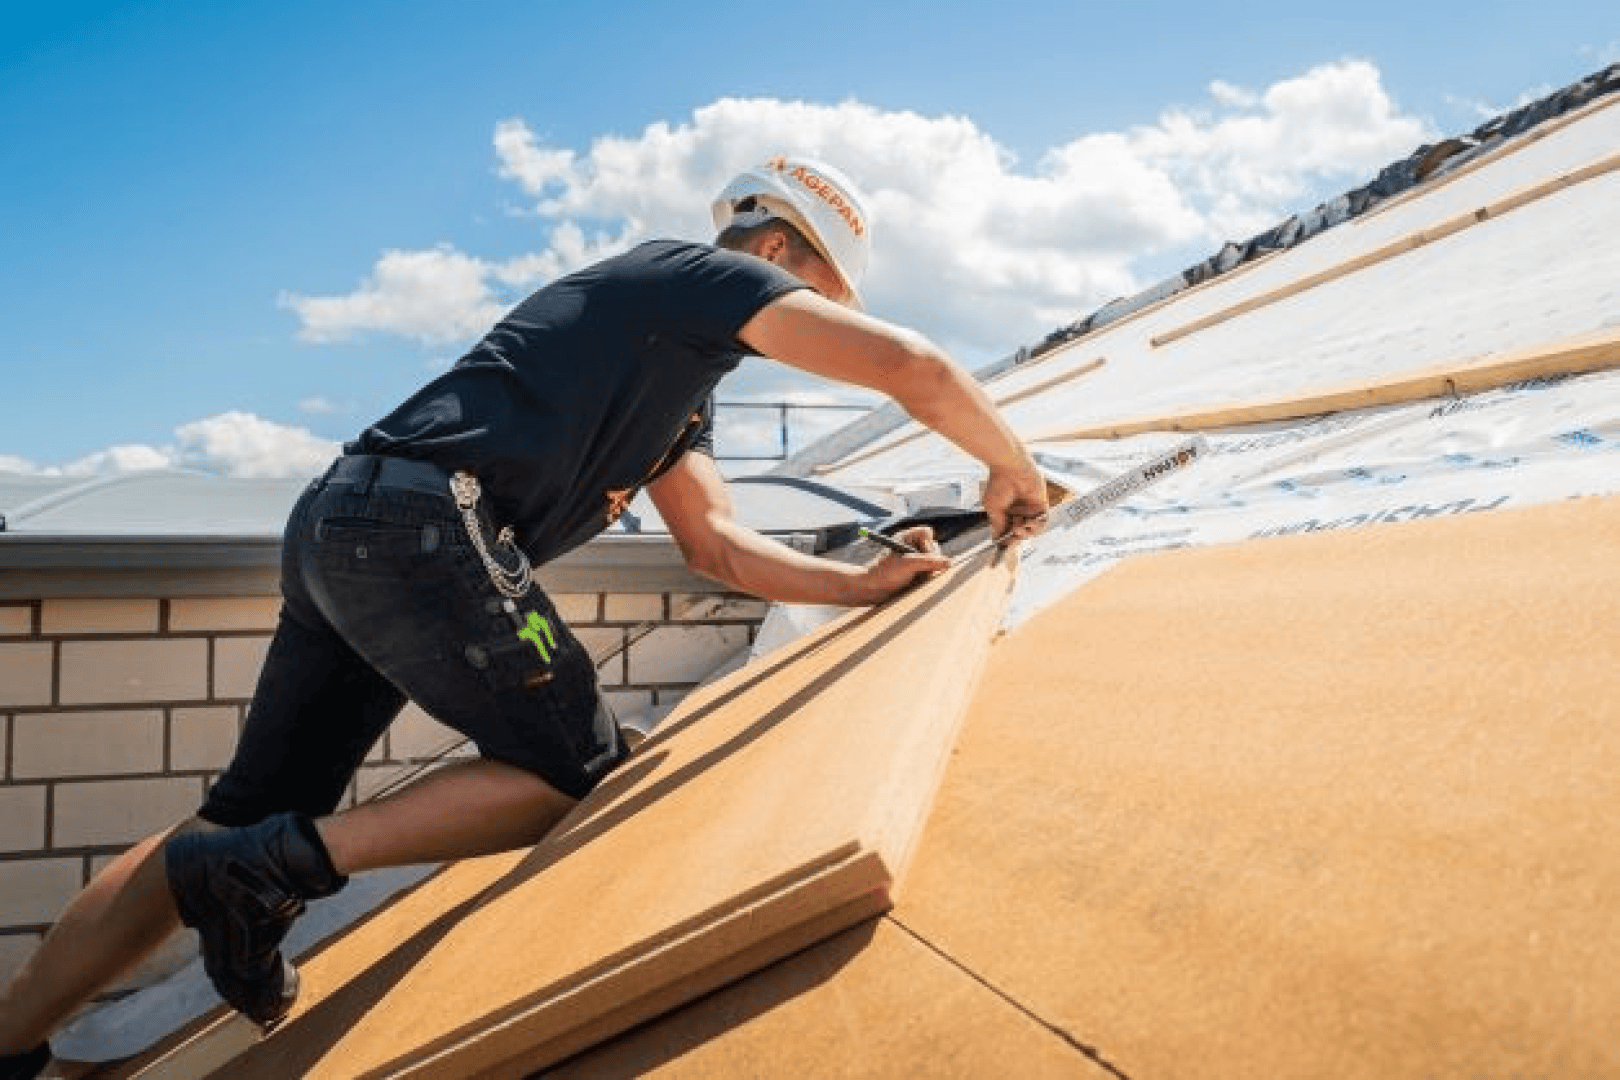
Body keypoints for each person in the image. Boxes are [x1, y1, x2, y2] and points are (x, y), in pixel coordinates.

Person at [0, 155, 1048, 1076]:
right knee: (573, 772)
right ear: (776, 247)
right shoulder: (700, 278)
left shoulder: (678, 381)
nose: (828, 319)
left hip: (351, 518)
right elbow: (911, 365)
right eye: (821, 289)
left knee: (236, 809)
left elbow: (716, 546)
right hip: (423, 519)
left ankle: (14, 1038)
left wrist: (863, 584)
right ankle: (266, 871)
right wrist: (1012, 468)